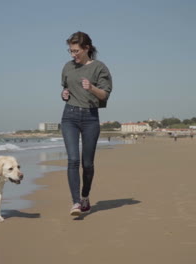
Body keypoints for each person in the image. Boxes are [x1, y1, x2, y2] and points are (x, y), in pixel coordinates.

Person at [60, 31, 113, 216]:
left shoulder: (99, 68)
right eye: (70, 50)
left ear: (86, 48)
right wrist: (63, 95)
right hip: (70, 117)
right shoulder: (68, 67)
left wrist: (91, 87)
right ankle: (75, 203)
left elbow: (104, 95)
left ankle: (84, 196)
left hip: (91, 117)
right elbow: (65, 89)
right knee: (73, 160)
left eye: (76, 50)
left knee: (87, 164)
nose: (73, 54)